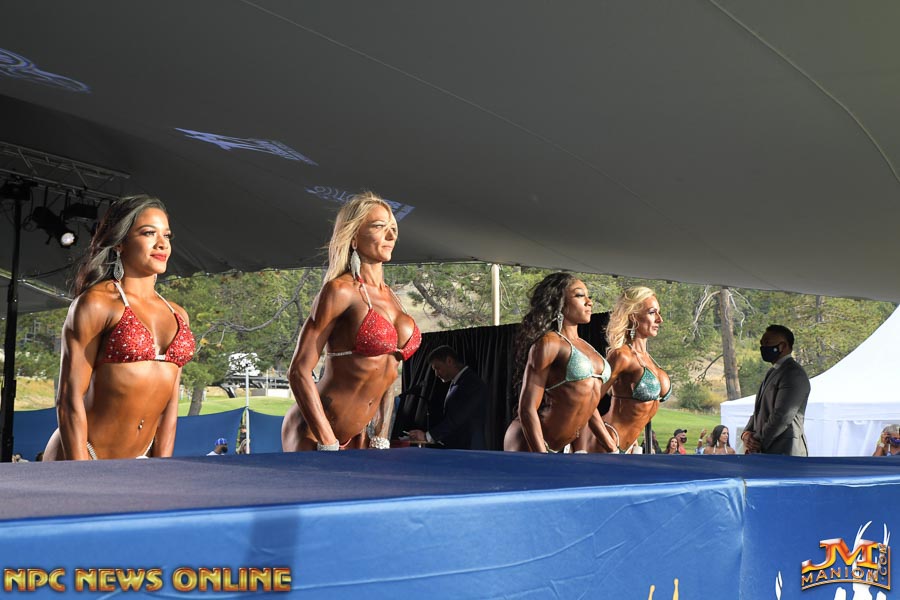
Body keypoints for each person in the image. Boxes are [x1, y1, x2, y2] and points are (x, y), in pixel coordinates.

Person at [42, 196, 194, 460]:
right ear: (120, 242)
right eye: (148, 233)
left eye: (167, 235)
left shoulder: (178, 315)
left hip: (138, 462)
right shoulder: (97, 304)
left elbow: (170, 407)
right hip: (82, 456)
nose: (162, 244)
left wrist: (163, 467)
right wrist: (82, 472)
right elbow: (68, 398)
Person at [282, 192, 421, 451]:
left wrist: (381, 435)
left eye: (393, 228)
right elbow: (298, 371)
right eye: (379, 227)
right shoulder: (339, 291)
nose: (391, 236)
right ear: (354, 237)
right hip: (314, 432)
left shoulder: (393, 298)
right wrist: (328, 442)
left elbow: (389, 373)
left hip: (360, 437)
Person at [503, 273, 617, 453]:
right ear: (560, 303)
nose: (589, 302)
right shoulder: (549, 343)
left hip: (560, 449)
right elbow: (526, 408)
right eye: (580, 295)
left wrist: (612, 448)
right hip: (529, 443)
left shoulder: (587, 347)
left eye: (589, 296)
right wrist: (543, 458)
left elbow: (588, 404)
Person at [603, 286, 672, 453]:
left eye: (659, 313)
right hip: (606, 443)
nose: (660, 319)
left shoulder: (648, 359)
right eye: (652, 312)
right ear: (633, 316)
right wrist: (608, 443)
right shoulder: (622, 356)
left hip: (629, 448)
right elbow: (588, 404)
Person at [741, 325, 810, 456]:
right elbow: (759, 411)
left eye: (767, 343)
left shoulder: (793, 374)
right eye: (761, 344)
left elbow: (782, 415)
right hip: (766, 451)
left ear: (783, 346)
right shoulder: (772, 372)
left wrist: (758, 440)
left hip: (785, 450)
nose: (763, 347)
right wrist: (746, 434)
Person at [407, 345, 489, 450]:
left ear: (449, 361)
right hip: (459, 448)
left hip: (469, 450)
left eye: (438, 368)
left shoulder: (472, 383)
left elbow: (457, 418)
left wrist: (427, 436)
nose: (436, 374)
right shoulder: (458, 381)